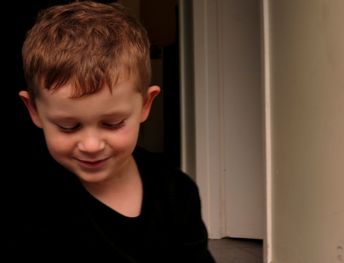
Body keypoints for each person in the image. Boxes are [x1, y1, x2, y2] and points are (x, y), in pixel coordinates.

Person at [9, 1, 215, 262]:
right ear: (34, 111)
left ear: (145, 104)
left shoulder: (176, 193)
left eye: (112, 123)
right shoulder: (28, 203)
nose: (91, 145)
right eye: (68, 127)